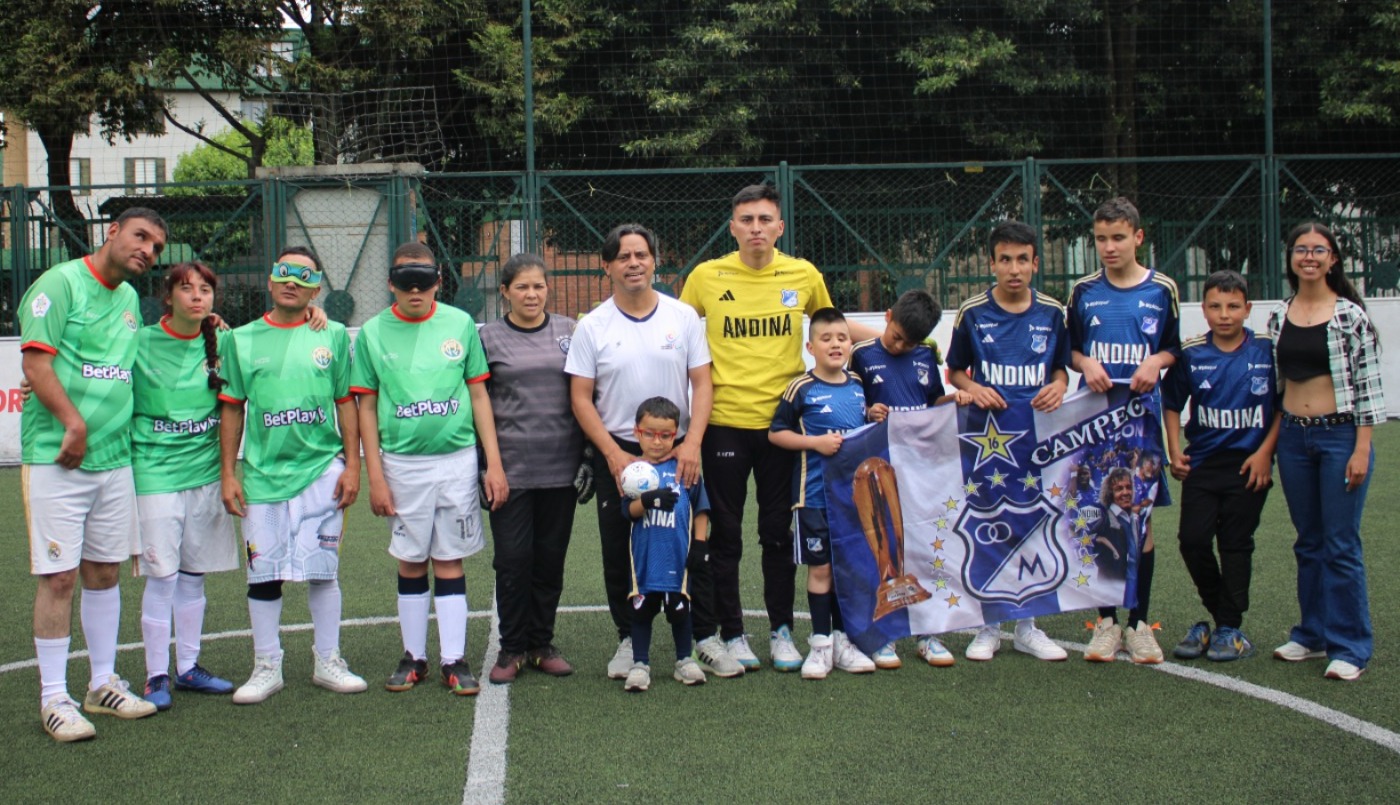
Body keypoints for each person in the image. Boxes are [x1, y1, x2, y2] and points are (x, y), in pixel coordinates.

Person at [679, 184, 879, 672]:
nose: (755, 229)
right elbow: (676, 334)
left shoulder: (803, 274)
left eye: (765, 220)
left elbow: (832, 328)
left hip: (784, 428)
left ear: (780, 226)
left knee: (776, 533)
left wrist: (893, 341)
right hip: (724, 424)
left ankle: (781, 630)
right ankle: (732, 633)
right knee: (725, 535)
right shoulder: (706, 277)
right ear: (732, 227)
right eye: (746, 220)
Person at [567, 224, 741, 679]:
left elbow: (703, 383)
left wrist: (693, 444)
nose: (633, 263)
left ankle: (704, 637)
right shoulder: (593, 325)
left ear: (654, 261)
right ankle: (629, 639)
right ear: (607, 267)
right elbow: (581, 397)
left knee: (693, 544)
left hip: (678, 449)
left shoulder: (682, 317)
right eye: (623, 256)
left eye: (641, 254)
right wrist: (610, 452)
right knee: (620, 547)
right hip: (621, 452)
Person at [20, 207, 167, 741]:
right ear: (112, 232)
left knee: (104, 573)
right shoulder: (59, 285)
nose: (147, 250)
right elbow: (35, 363)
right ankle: (53, 698)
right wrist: (73, 424)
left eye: (155, 246)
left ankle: (102, 683)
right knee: (58, 577)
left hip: (114, 462)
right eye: (140, 237)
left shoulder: (129, 300)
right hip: (57, 457)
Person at [352, 242, 508, 696]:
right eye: (405, 281)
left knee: (449, 558)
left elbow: (479, 396)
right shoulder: (373, 333)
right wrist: (375, 476)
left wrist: (491, 464)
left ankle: (453, 659)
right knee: (411, 559)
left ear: (440, 280)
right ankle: (413, 656)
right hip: (402, 466)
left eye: (425, 280)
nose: (416, 290)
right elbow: (366, 405)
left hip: (457, 462)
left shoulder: (459, 324)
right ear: (390, 284)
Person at [218, 245, 365, 703]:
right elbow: (232, 409)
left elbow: (346, 402)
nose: (291, 282)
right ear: (269, 279)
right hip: (263, 476)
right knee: (263, 574)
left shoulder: (335, 334)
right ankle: (266, 666)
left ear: (316, 288)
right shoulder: (239, 340)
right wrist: (229, 473)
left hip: (323, 471)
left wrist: (353, 466)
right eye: (283, 272)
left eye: (303, 277)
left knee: (323, 571)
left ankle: (328, 660)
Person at [945, 220, 1071, 663]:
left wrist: (1059, 384)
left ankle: (1028, 625)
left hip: (1037, 439)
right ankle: (987, 625)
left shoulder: (1053, 313)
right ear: (992, 263)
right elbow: (955, 371)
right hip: (986, 440)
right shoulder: (972, 313)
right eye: (1005, 260)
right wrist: (973, 388)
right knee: (988, 523)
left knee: (1035, 525)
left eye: (1022, 260)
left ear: (1035, 264)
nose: (1014, 269)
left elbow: (1061, 368)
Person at [1266, 221, 1383, 682]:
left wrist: (1361, 449)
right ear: (1291, 258)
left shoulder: (1350, 316)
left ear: (1333, 259)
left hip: (1340, 439)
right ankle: (1311, 635)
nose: (1309, 257)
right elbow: (1278, 388)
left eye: (1319, 250)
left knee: (1340, 544)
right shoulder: (1280, 315)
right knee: (1308, 541)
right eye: (1301, 249)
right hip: (1295, 439)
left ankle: (1350, 645)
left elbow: (1370, 390)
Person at [1068, 197, 1179, 665]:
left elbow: (1174, 348)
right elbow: (1069, 350)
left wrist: (1155, 360)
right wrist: (1085, 362)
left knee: (1142, 517)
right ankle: (1106, 623)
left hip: (1141, 423)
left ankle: (1140, 625)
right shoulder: (1083, 291)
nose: (1109, 247)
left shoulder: (1162, 289)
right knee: (1098, 515)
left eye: (1118, 238)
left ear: (1138, 236)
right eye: (1100, 239)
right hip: (1094, 422)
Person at [132, 262, 241, 710]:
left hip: (206, 475)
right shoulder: (139, 341)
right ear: (168, 296)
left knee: (194, 574)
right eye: (186, 289)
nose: (197, 297)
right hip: (155, 475)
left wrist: (314, 314)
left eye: (205, 290)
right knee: (162, 576)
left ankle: (188, 668)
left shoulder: (224, 340)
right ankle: (155, 676)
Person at [479, 253, 589, 684]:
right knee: (511, 561)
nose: (531, 294)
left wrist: (586, 458)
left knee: (549, 561)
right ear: (505, 291)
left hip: (560, 470)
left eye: (539, 286)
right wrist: (488, 465)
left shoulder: (570, 332)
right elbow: (479, 404)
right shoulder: (487, 338)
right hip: (510, 472)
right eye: (522, 287)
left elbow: (586, 394)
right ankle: (511, 647)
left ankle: (541, 644)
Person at [1163, 270, 1279, 662]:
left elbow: (1283, 405)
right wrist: (1175, 450)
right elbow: (1172, 403)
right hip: (1204, 464)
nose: (1224, 314)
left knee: (1235, 545)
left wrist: (1265, 453)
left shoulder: (1266, 350)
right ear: (1204, 309)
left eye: (1233, 306)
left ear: (1248, 309)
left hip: (1249, 465)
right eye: (1215, 306)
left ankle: (1227, 626)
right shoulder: (1193, 353)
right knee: (1192, 540)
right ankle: (1223, 623)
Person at [848, 288, 962, 668]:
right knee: (881, 550)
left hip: (920, 468)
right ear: (886, 316)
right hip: (878, 471)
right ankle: (883, 634)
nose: (899, 346)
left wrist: (955, 400)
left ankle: (928, 634)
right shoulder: (861, 356)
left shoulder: (926, 357)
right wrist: (867, 410)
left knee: (924, 547)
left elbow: (933, 403)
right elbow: (850, 405)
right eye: (896, 336)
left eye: (908, 342)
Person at [769, 308, 877, 679]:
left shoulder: (860, 385)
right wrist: (815, 442)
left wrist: (875, 414)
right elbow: (776, 433)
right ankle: (819, 645)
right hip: (814, 498)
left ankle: (843, 641)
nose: (835, 344)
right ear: (810, 346)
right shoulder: (801, 388)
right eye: (826, 339)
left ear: (851, 344)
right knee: (822, 569)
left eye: (842, 338)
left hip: (854, 500)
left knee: (847, 571)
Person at [619, 397, 712, 691]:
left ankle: (684, 660)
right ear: (637, 433)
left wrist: (699, 544)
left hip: (677, 557)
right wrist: (647, 501)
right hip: (645, 558)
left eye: (665, 435)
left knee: (680, 609)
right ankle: (640, 663)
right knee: (642, 611)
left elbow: (701, 508)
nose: (657, 442)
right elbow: (627, 511)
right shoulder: (634, 471)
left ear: (675, 435)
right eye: (650, 434)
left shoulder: (684, 468)